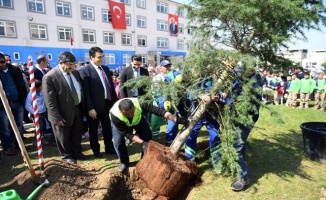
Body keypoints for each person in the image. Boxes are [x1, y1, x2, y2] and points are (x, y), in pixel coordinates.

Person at [110, 98, 185, 173]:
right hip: (121, 124)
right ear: (121, 112)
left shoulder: (139, 104)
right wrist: (142, 143)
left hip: (138, 120)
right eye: (127, 114)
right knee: (118, 142)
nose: (130, 115)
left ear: (134, 107)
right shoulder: (115, 115)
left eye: (132, 112)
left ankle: (144, 159)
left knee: (147, 137)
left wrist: (175, 119)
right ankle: (124, 162)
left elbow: (158, 111)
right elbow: (127, 133)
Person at [42, 52, 86, 164]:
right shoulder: (50, 77)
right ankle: (67, 156)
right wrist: (56, 117)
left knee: (77, 132)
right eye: (70, 64)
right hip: (61, 112)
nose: (72, 66)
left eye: (73, 64)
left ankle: (77, 152)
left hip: (76, 109)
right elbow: (49, 100)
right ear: (61, 63)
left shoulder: (74, 73)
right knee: (63, 136)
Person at [79, 46, 118, 158]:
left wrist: (115, 103)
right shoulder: (85, 71)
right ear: (92, 57)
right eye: (99, 57)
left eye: (102, 57)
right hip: (94, 107)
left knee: (107, 128)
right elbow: (86, 92)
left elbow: (110, 87)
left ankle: (109, 147)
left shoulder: (105, 68)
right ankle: (96, 150)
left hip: (107, 103)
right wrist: (90, 108)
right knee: (94, 129)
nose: (102, 59)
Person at [0, 53, 27, 156]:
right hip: (3, 105)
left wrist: (23, 98)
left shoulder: (14, 70)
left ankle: (18, 144)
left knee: (19, 125)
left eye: (2, 62)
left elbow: (21, 85)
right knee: (5, 127)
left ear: (6, 61)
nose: (0, 64)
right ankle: (7, 147)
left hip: (17, 102)